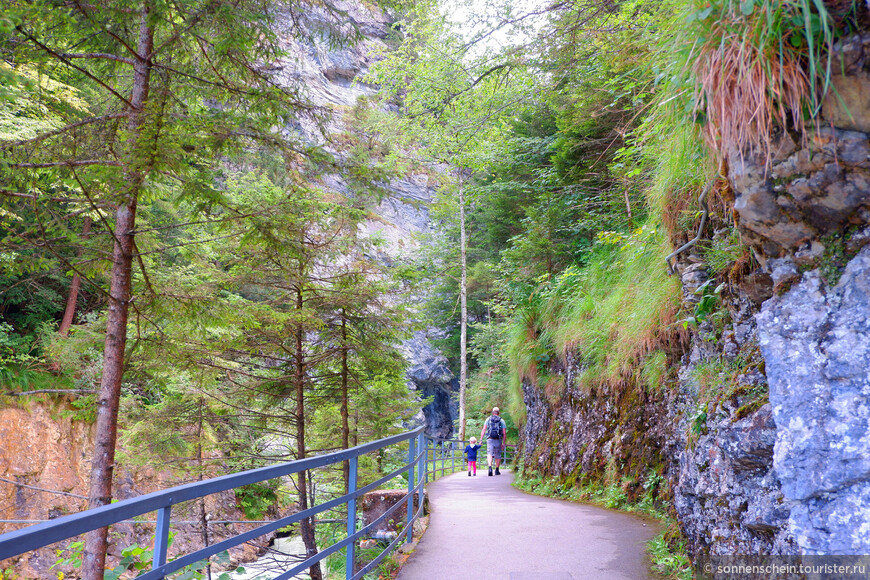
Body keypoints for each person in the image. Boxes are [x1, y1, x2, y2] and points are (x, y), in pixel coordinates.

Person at [480, 407, 507, 476]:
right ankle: (497, 470)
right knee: (497, 454)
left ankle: (490, 468)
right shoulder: (501, 420)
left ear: (492, 412)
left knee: (489, 453)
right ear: (498, 412)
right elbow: (504, 432)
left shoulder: (488, 419)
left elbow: (484, 429)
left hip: (489, 438)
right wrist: (503, 443)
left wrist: (481, 440)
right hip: (498, 439)